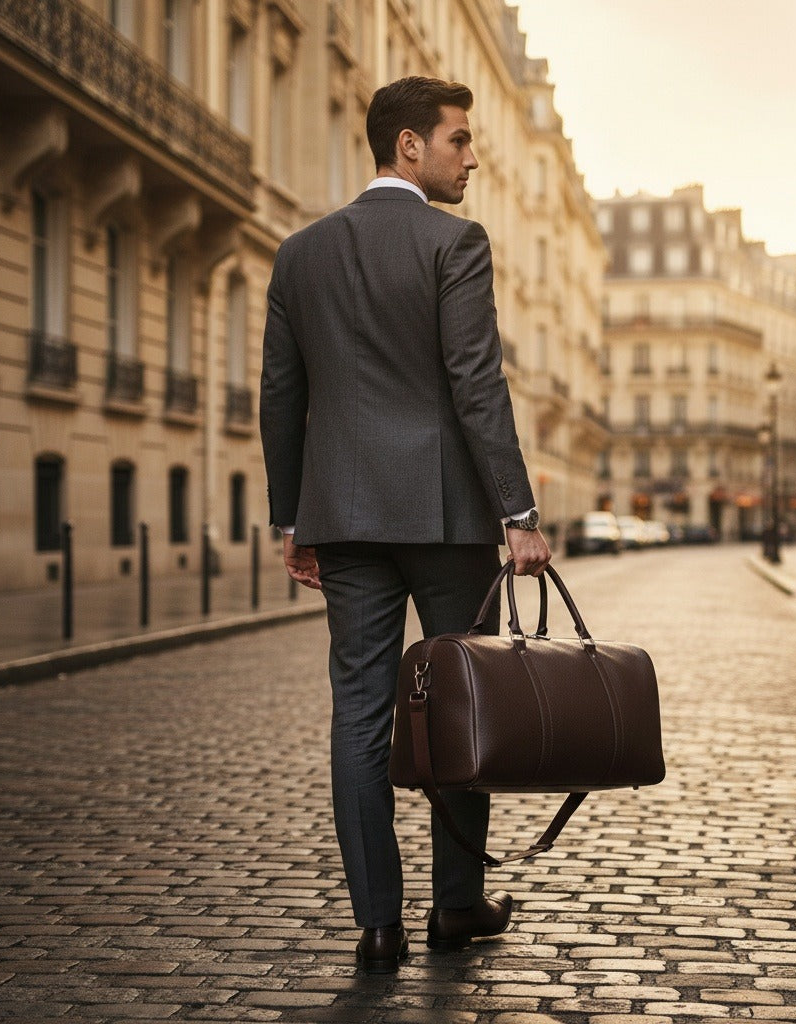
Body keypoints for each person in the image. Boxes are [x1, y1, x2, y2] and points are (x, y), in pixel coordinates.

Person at [259, 76, 552, 974]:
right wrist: (520, 511)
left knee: (358, 710)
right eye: (460, 140)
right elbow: (475, 382)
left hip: (343, 514)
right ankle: (456, 908)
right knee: (464, 699)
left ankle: (377, 924)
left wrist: (290, 517)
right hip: (448, 516)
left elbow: (281, 395)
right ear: (409, 148)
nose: (473, 156)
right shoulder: (454, 242)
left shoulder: (300, 252)